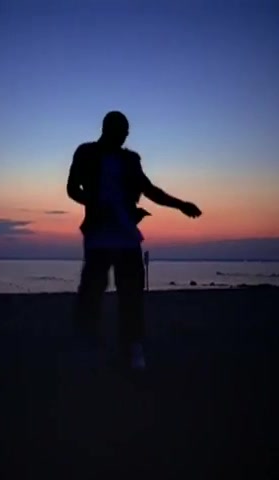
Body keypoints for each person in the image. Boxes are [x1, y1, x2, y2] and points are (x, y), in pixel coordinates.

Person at [66, 111, 202, 370]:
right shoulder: (85, 153)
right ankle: (87, 342)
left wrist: (180, 205)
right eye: (122, 130)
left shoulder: (130, 159)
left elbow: (150, 190)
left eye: (127, 131)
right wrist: (95, 203)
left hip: (127, 235)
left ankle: (132, 346)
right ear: (108, 129)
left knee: (131, 294)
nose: (126, 135)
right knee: (92, 291)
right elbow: (72, 189)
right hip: (98, 234)